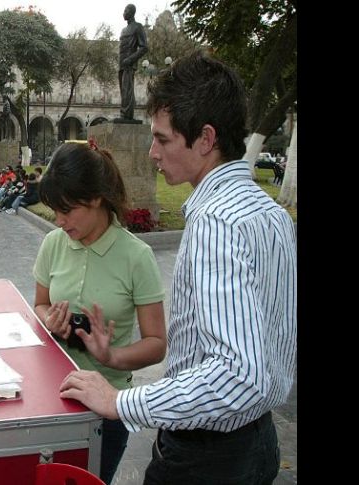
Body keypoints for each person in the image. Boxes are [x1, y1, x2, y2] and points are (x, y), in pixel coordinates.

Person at [59, 51, 297, 484]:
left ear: (205, 139)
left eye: (163, 139)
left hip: (208, 456)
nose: (152, 152)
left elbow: (238, 375)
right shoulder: (272, 213)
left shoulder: (215, 222)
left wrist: (121, 402)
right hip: (257, 443)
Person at [33, 141, 166, 485]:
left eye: (66, 211)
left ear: (95, 199)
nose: (59, 221)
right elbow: (40, 304)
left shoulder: (137, 257)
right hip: (52, 394)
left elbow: (156, 343)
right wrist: (49, 319)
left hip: (106, 408)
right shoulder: (54, 244)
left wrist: (112, 355)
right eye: (54, 211)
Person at [115, 4, 148, 122]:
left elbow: (144, 47)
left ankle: (126, 115)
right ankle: (125, 114)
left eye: (125, 10)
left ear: (131, 12)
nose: (123, 13)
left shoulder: (137, 27)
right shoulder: (123, 30)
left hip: (129, 64)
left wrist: (131, 59)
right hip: (121, 64)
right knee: (124, 90)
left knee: (127, 88)